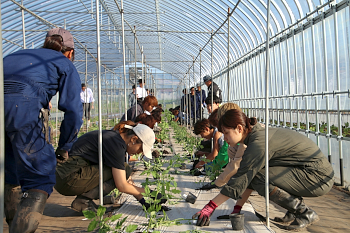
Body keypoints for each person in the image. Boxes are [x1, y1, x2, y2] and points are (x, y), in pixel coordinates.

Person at [192, 109, 334, 231]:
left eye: (227, 133)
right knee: (257, 174)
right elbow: (247, 178)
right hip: (304, 171)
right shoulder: (255, 136)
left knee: (259, 176)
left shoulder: (258, 143)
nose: (225, 138)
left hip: (317, 177)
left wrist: (210, 206)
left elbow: (243, 177)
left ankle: (304, 212)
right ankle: (293, 210)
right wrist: (236, 210)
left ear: (239, 128)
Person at [4, 28, 83, 232]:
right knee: (40, 176)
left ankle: (13, 222)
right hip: (21, 110)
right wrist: (65, 146)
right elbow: (73, 110)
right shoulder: (64, 64)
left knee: (9, 170)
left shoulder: (15, 55)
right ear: (70, 52)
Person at [55, 121, 167, 213]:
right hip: (68, 178)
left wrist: (144, 202)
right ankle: (83, 201)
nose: (139, 153)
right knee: (125, 169)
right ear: (133, 139)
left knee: (124, 169)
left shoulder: (115, 139)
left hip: (66, 176)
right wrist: (151, 193)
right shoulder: (116, 145)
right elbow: (122, 185)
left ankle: (83, 200)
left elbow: (127, 179)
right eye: (140, 149)